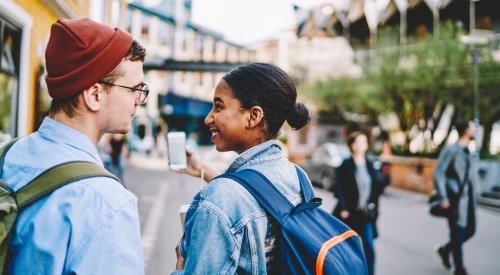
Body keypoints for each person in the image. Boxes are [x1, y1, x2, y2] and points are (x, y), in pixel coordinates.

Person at [0, 18, 147, 274]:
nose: (139, 100)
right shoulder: (107, 204)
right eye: (134, 89)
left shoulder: (6, 155)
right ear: (94, 95)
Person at [172, 63, 311, 274]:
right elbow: (259, 198)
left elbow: (234, 202)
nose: (208, 118)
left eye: (219, 106)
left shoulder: (219, 199)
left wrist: (180, 268)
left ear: (253, 116)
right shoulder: (299, 178)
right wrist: (205, 170)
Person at [332, 131, 389, 275]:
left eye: (364, 141)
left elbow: (378, 187)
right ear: (352, 145)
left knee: (368, 246)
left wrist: (384, 175)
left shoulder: (371, 165)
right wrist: (344, 208)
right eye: (358, 142)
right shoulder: (345, 165)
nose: (362, 144)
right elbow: (339, 189)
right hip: (350, 214)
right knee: (349, 248)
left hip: (367, 214)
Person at [433, 120, 477, 275]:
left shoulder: (467, 151)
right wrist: (443, 197)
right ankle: (460, 268)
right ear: (465, 130)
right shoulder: (451, 149)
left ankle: (446, 249)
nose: (475, 130)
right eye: (473, 127)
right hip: (454, 198)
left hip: (468, 199)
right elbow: (439, 173)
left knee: (471, 230)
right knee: (457, 232)